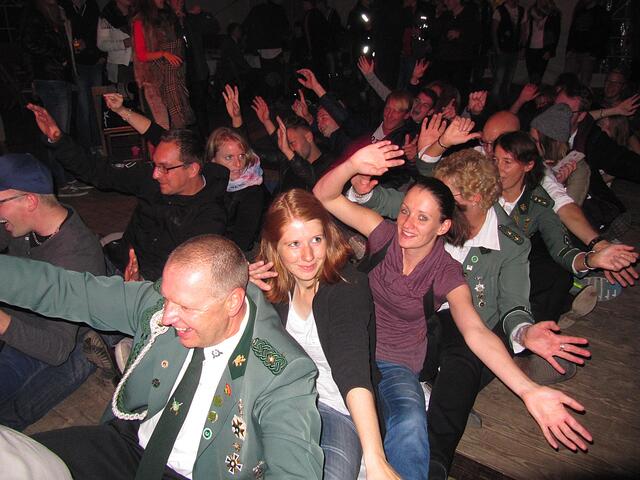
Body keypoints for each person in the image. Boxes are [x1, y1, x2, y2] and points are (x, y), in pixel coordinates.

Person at [314, 141, 595, 478]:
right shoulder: (384, 234)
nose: (407, 224)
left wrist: (528, 390)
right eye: (405, 212)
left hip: (395, 363)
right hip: (348, 345)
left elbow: (475, 331)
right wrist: (352, 163)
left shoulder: (447, 271)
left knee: (410, 426)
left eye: (422, 218)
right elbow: (325, 196)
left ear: (443, 226)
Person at [0, 234, 324, 478]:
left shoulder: (282, 373)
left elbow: (296, 469)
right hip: (132, 445)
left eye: (185, 307)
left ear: (232, 303)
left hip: (196, 473)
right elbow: (69, 291)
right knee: (19, 462)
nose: (166, 316)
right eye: (168, 299)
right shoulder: (168, 302)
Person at [249, 189, 399, 479]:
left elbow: (352, 370)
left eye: (316, 240)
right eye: (294, 244)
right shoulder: (269, 282)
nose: (307, 256)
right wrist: (239, 274)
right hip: (276, 401)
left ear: (328, 237)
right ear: (275, 247)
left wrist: (375, 457)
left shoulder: (348, 288)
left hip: (334, 406)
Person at [28, 102, 228, 281]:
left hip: (149, 287)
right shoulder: (151, 177)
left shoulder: (210, 217)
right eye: (155, 165)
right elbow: (99, 171)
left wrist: (139, 282)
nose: (155, 174)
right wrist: (58, 139)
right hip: (116, 259)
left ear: (192, 169)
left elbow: (188, 274)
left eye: (164, 168)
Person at [0, 153, 105, 430]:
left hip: (48, 341)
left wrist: (2, 322)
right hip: (17, 319)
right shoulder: (24, 223)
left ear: (29, 201)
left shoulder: (75, 257)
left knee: (10, 413)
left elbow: (56, 348)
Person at [492, 131, 637, 320]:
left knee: (555, 273)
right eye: (494, 160)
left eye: (507, 162)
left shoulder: (538, 202)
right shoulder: (480, 186)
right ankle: (564, 302)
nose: (498, 169)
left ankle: (532, 321)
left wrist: (592, 259)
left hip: (508, 266)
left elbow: (561, 249)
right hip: (474, 265)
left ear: (528, 165)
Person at [20, 0, 76, 194]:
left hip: (59, 76)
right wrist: (57, 56)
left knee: (61, 131)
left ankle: (66, 176)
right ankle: (60, 181)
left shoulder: (55, 12)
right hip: (49, 77)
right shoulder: (34, 13)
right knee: (54, 132)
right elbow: (29, 43)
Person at [205, 127, 267, 255]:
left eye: (241, 156)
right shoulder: (209, 179)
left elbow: (242, 241)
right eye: (229, 157)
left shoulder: (252, 190)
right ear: (213, 159)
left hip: (249, 249)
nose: (238, 164)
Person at [132, 0, 194, 129]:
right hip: (152, 78)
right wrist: (164, 54)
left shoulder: (169, 14)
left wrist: (181, 20)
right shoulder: (140, 19)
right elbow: (141, 54)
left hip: (173, 74)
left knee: (178, 119)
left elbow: (181, 45)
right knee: (162, 125)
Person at [530, 103, 590, 205]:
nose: (529, 145)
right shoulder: (530, 160)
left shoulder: (578, 169)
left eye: (535, 141)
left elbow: (568, 211)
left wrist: (557, 186)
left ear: (551, 144)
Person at [97, 0, 134, 86]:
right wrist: (123, 44)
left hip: (139, 64)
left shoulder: (137, 13)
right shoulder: (107, 15)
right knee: (121, 93)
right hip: (120, 66)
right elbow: (101, 44)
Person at [523, 0, 560, 84]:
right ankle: (532, 90)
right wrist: (523, 46)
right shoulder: (531, 11)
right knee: (531, 74)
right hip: (531, 47)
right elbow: (526, 30)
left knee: (538, 75)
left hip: (544, 48)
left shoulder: (553, 14)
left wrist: (550, 50)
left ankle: (535, 90)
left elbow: (556, 33)